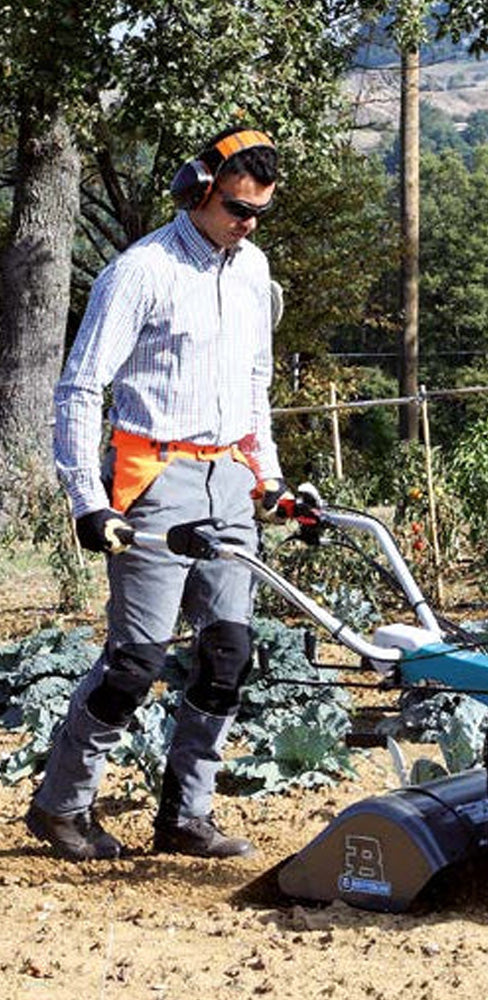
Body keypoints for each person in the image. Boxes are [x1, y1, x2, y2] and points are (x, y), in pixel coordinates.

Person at [25, 126, 293, 862]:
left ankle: (187, 816)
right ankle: (61, 805)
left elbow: (254, 385)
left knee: (229, 654)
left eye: (260, 212)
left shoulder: (252, 269)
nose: (248, 224)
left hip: (230, 477)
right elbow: (81, 386)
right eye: (238, 208)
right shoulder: (140, 271)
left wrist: (266, 475)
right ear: (197, 191)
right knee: (136, 661)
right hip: (154, 477)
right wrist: (88, 498)